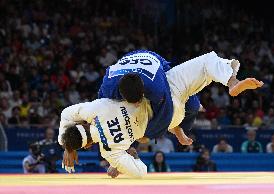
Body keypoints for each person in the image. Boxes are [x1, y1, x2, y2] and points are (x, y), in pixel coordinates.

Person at [59, 51, 263, 176]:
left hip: (167, 110)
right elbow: (68, 115)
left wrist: (68, 145)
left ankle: (181, 128)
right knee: (207, 63)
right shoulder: (100, 104)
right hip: (161, 79)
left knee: (177, 111)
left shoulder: (107, 139)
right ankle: (231, 81)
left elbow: (140, 156)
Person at [99, 50, 263, 146]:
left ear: (143, 91)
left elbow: (166, 112)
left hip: (170, 102)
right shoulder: (108, 86)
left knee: (208, 60)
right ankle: (178, 126)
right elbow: (97, 112)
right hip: (161, 78)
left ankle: (232, 82)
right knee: (204, 71)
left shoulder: (155, 88)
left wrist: (147, 135)